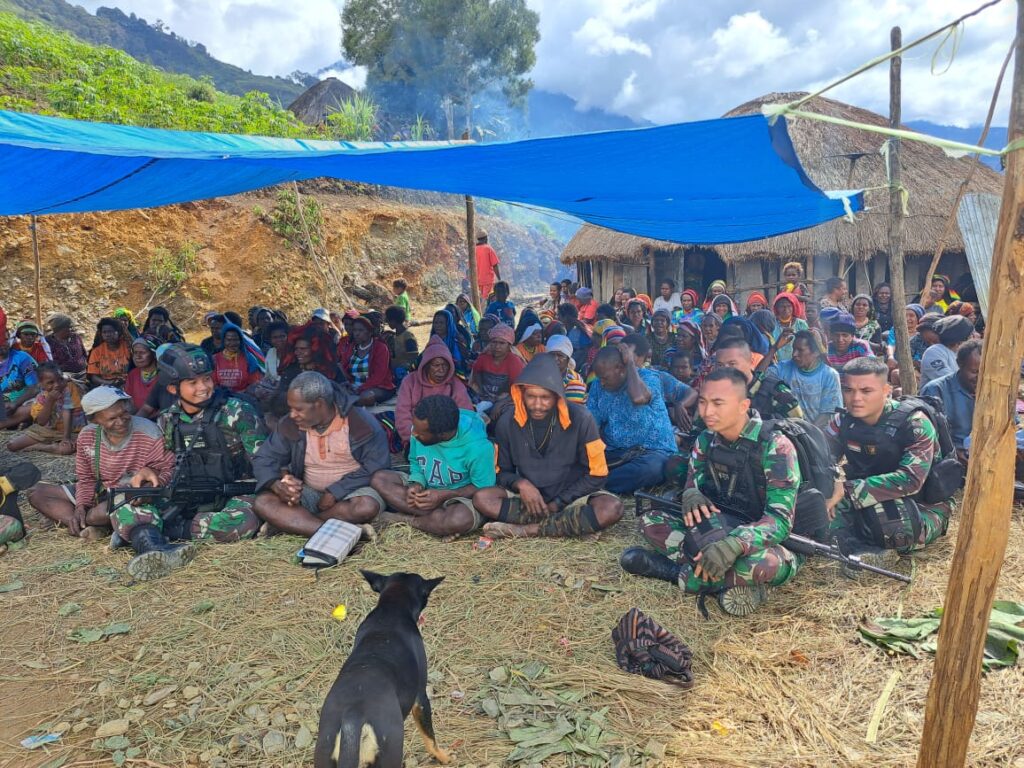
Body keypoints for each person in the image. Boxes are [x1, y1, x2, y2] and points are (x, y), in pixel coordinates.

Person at [623, 367, 803, 616]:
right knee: (650, 521)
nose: (707, 412)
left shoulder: (776, 447)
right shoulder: (706, 440)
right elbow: (692, 482)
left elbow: (779, 521)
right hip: (719, 526)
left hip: (761, 540)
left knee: (764, 563)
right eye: (703, 402)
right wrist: (691, 494)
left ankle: (678, 574)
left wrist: (735, 545)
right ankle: (722, 576)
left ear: (743, 406)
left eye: (718, 403)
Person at [108, 344, 269, 580]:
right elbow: (165, 463)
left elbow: (264, 463)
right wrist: (149, 471)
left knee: (240, 522)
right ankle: (153, 549)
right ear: (173, 388)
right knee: (124, 499)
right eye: (193, 382)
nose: (203, 387)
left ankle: (159, 532)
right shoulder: (168, 419)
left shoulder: (236, 411)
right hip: (187, 494)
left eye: (207, 379)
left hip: (234, 493)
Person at [471, 355, 623, 539]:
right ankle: (570, 526)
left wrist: (559, 502)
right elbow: (501, 472)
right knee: (482, 499)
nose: (537, 405)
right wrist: (522, 484)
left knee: (611, 508)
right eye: (531, 396)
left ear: (557, 396)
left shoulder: (582, 418)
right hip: (530, 501)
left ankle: (527, 530)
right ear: (521, 394)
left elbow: (598, 474)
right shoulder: (507, 422)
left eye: (545, 397)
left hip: (573, 497)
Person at [825, 356, 954, 565]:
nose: (856, 398)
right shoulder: (842, 421)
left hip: (920, 503)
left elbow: (911, 480)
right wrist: (827, 489)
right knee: (816, 512)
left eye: (866, 391)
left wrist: (846, 490)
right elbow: (824, 459)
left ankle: (879, 550)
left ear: (886, 390)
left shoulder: (915, 423)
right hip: (866, 496)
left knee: (895, 528)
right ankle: (852, 542)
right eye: (848, 390)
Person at [28, 386, 175, 540]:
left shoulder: (149, 433)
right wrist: (81, 506)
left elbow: (168, 470)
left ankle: (94, 523)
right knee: (36, 492)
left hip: (131, 496)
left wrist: (146, 491)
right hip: (102, 491)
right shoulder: (87, 436)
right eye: (112, 419)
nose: (121, 421)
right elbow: (86, 479)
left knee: (100, 513)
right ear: (94, 420)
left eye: (124, 413)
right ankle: (82, 523)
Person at [253, 371, 389, 536]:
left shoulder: (360, 422)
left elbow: (377, 466)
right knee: (263, 502)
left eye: (298, 409)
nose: (292, 414)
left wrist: (336, 491)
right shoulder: (290, 423)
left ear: (319, 404)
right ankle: (342, 533)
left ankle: (294, 524)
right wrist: (277, 485)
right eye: (290, 408)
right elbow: (264, 458)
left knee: (365, 507)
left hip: (354, 491)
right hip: (309, 491)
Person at [371, 394, 494, 538]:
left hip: (458, 498)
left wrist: (445, 495)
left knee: (459, 519)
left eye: (421, 433)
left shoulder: (478, 448)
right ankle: (437, 522)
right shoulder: (419, 429)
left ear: (442, 435)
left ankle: (406, 519)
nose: (414, 433)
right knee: (379, 479)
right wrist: (416, 483)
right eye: (414, 427)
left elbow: (483, 488)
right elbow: (415, 461)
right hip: (427, 495)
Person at [587, 345, 676, 493]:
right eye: (599, 378)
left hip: (651, 451)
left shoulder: (649, 377)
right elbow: (591, 425)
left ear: (620, 368)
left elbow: (638, 397)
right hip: (616, 452)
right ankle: (599, 481)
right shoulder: (597, 386)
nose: (601, 382)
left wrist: (630, 364)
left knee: (652, 469)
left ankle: (595, 484)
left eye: (605, 378)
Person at [395, 337, 473, 446]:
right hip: (417, 439)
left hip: (448, 440)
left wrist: (448, 440)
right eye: (436, 365)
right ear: (426, 365)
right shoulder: (410, 381)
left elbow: (466, 416)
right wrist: (413, 438)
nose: (441, 370)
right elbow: (402, 414)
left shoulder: (455, 384)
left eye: (445, 365)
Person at [920, 340, 982, 463]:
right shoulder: (936, 390)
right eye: (974, 372)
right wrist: (953, 451)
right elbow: (926, 435)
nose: (981, 377)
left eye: (986, 372)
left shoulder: (996, 389)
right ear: (960, 365)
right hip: (951, 460)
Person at [714, 338, 803, 420]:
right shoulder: (715, 393)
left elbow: (800, 426)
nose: (725, 370)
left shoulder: (776, 391)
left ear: (749, 361)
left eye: (732, 364)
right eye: (720, 365)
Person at [623, 333, 696, 433]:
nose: (680, 371)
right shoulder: (609, 378)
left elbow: (692, 392)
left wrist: (680, 405)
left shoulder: (657, 376)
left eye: (628, 353)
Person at [7, 362, 85, 455]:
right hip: (48, 430)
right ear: (41, 384)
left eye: (60, 379)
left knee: (66, 450)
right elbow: (41, 422)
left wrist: (66, 437)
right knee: (12, 446)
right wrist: (49, 401)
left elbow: (67, 411)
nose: (57, 385)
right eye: (50, 382)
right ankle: (47, 444)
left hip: (71, 430)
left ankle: (43, 447)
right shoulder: (41, 396)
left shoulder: (69, 387)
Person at [773, 331, 841, 426]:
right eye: (794, 349)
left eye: (800, 350)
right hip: (787, 429)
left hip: (816, 432)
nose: (794, 354)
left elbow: (827, 414)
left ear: (816, 352)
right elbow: (759, 376)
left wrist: (807, 432)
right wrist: (774, 349)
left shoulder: (829, 375)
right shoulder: (783, 367)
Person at [337, 316, 395, 405]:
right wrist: (347, 383)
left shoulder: (380, 348)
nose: (356, 334)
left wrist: (360, 389)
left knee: (366, 396)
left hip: (377, 387)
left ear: (370, 332)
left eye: (360, 330)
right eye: (355, 330)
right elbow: (345, 368)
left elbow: (378, 376)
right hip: (354, 386)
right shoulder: (352, 347)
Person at [469, 323, 525, 403]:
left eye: (502, 343)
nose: (497, 347)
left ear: (509, 345)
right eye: (494, 342)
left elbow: (517, 385)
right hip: (485, 395)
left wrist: (504, 396)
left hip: (505, 398)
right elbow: (477, 373)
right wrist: (481, 390)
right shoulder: (484, 357)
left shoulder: (514, 361)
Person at [919, 315, 974, 386]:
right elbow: (950, 382)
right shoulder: (934, 352)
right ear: (963, 338)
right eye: (971, 335)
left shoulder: (963, 353)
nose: (974, 337)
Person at [0, 332, 39, 430]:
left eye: (5, 340)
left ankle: (13, 422)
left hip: (21, 403)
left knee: (37, 406)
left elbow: (35, 388)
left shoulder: (22, 358)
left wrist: (15, 403)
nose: (3, 343)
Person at [212, 323, 264, 395]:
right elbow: (212, 383)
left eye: (235, 340)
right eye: (229, 340)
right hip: (221, 397)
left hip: (244, 397)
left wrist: (240, 395)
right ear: (223, 341)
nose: (232, 343)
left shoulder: (249, 359)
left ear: (241, 341)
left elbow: (255, 383)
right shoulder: (215, 359)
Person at [86, 317, 131, 388]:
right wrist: (111, 383)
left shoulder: (128, 347)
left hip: (129, 383)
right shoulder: (96, 351)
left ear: (118, 332)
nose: (107, 335)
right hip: (106, 385)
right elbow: (93, 376)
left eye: (111, 331)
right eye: (104, 332)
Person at [545, 335, 587, 404]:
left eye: (560, 355)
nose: (555, 359)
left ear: (568, 360)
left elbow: (572, 408)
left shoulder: (574, 381)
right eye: (552, 355)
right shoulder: (543, 373)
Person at [124, 335, 161, 410]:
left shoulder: (164, 375)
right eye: (135, 353)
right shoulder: (133, 374)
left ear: (154, 354)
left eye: (142, 352)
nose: (138, 356)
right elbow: (130, 401)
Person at [383, 305, 418, 383]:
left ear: (394, 321)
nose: (388, 323)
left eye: (388, 321)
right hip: (395, 374)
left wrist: (405, 368)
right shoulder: (395, 335)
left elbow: (414, 356)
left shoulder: (407, 336)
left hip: (404, 375)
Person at [770, 292, 808, 363]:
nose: (786, 309)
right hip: (776, 364)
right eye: (782, 306)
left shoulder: (801, 324)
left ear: (794, 307)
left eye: (789, 306)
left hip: (798, 363)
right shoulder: (772, 324)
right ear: (777, 308)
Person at [557, 303, 592, 368]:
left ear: (566, 317)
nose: (557, 318)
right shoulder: (565, 329)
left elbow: (585, 353)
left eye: (559, 315)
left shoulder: (577, 333)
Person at [475, 230, 501, 301]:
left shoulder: (474, 249)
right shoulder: (488, 249)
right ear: (486, 238)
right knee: (487, 299)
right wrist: (499, 279)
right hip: (488, 280)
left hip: (477, 281)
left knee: (479, 299)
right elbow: (495, 265)